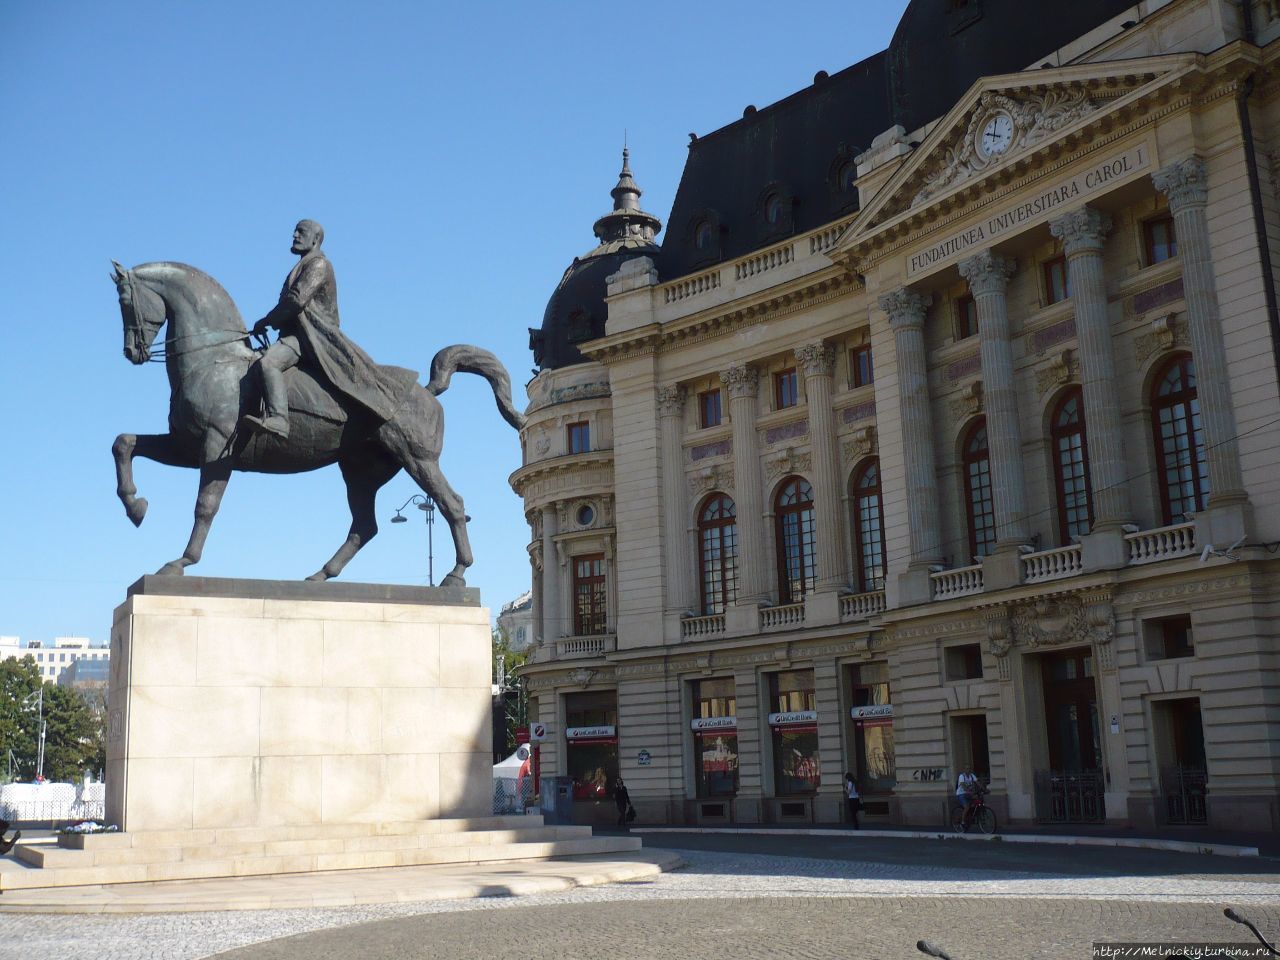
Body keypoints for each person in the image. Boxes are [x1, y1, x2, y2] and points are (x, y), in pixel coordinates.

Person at [241, 219, 408, 440]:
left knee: (268, 363)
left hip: (309, 336)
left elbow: (296, 300)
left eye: (301, 232)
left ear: (316, 239)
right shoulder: (302, 265)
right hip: (295, 334)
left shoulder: (319, 264)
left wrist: (267, 320)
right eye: (295, 231)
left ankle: (279, 419)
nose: (295, 235)